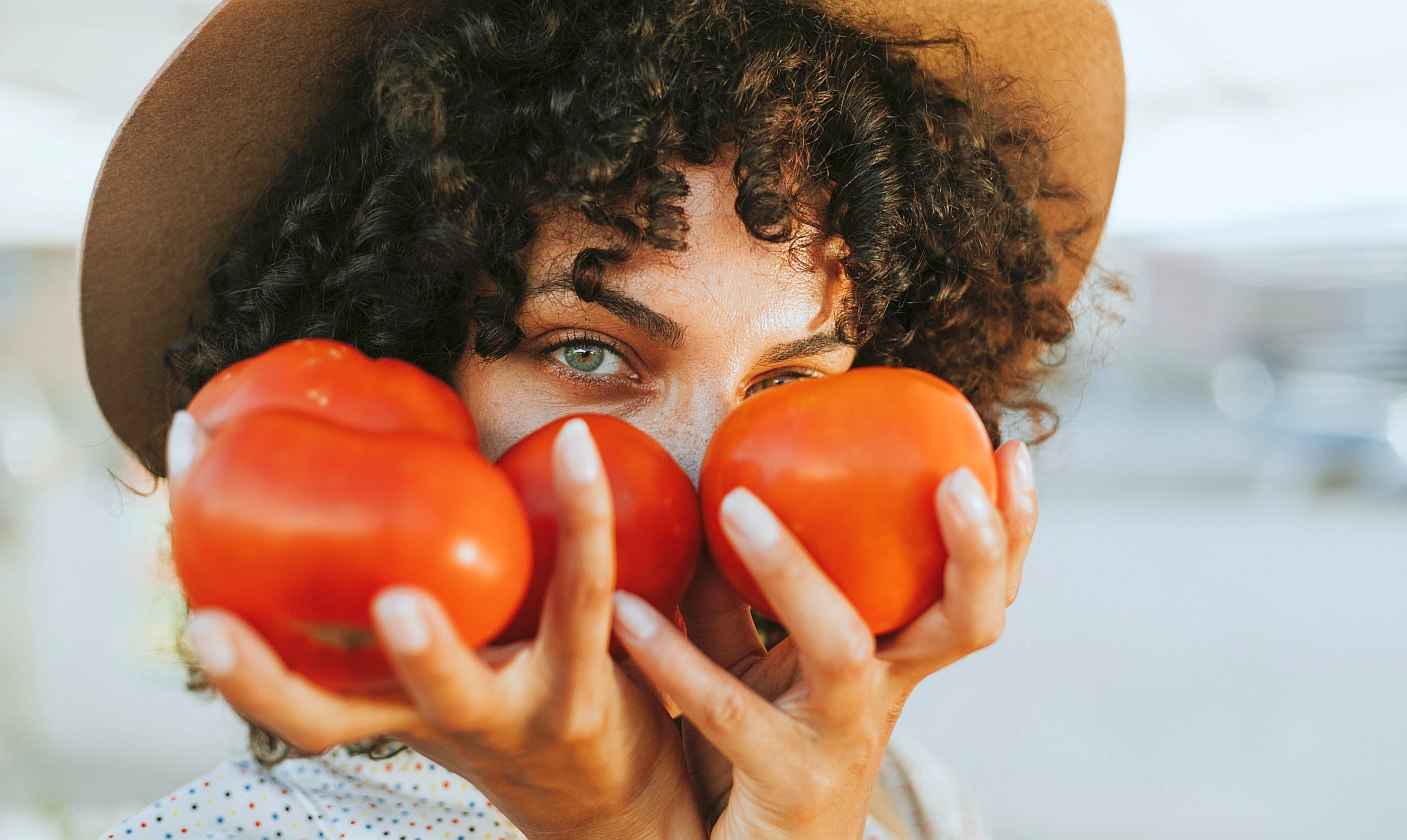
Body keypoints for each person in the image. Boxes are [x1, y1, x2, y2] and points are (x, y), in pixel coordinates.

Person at [80, 0, 1124, 836]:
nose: (712, 473)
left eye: (787, 385)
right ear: (396, 364)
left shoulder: (902, 801)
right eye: (587, 352)